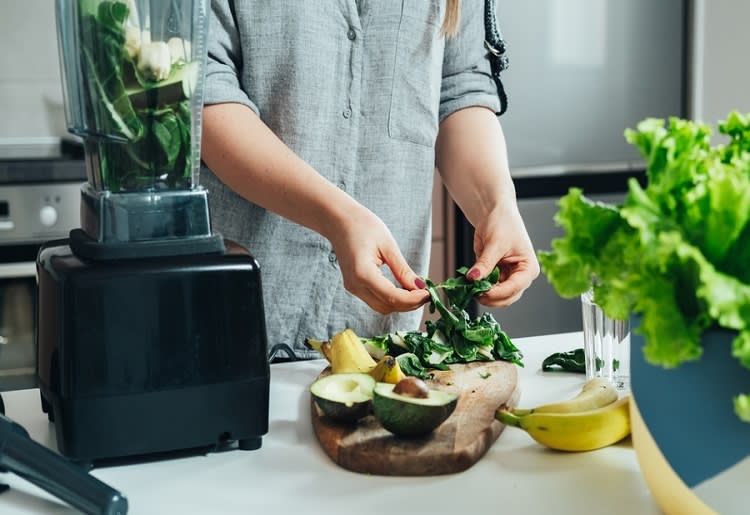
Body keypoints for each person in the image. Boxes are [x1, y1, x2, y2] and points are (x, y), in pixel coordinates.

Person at [200, 0, 540, 360]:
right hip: (234, 318)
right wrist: (337, 216)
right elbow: (201, 89)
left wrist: (497, 206)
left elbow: (460, 88)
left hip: (380, 334)